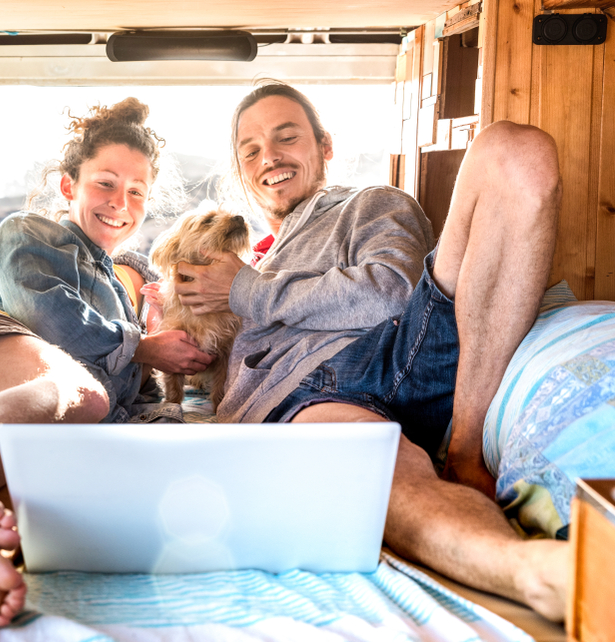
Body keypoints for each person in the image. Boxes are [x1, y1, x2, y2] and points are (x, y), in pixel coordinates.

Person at [171, 81, 569, 621]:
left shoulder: (369, 204)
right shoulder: (255, 259)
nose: (270, 157)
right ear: (242, 172)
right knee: (380, 460)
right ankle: (536, 571)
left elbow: (391, 293)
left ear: (325, 146)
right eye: (251, 150)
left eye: (287, 137)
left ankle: (467, 450)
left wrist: (244, 290)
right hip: (314, 399)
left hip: (402, 346)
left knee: (515, 149)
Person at [0, 98, 214, 628]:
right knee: (83, 393)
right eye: (105, 183)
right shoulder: (31, 232)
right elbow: (53, 323)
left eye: (136, 192)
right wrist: (145, 347)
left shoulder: (120, 294)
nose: (119, 202)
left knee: (58, 474)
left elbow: (137, 401)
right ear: (69, 187)